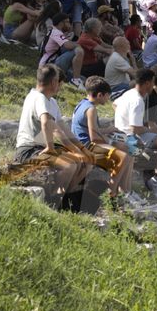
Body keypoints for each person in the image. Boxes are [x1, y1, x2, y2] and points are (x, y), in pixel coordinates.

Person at [14, 65, 93, 211]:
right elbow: (48, 124)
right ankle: (53, 202)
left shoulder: (51, 102)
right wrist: (50, 147)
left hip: (40, 147)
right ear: (54, 82)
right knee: (70, 165)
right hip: (29, 149)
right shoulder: (39, 98)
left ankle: (69, 204)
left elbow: (64, 129)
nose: (60, 86)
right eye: (59, 82)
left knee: (87, 162)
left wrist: (82, 150)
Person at [112, 68, 157, 201]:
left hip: (125, 133)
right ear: (147, 83)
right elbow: (136, 129)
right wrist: (148, 128)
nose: (153, 85)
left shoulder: (129, 93)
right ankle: (156, 180)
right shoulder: (138, 100)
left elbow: (114, 104)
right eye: (152, 82)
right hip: (132, 137)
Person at [71, 76, 138, 205]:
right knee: (122, 156)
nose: (108, 99)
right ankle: (111, 195)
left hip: (83, 143)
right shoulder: (91, 110)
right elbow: (94, 138)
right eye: (108, 96)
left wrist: (108, 130)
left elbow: (91, 129)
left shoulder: (83, 104)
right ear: (100, 95)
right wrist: (111, 142)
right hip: (86, 147)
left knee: (129, 152)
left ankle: (125, 192)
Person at [40, 13, 83, 86]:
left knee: (84, 79)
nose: (69, 24)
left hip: (48, 65)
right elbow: (68, 45)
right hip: (49, 66)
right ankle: (75, 81)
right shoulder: (56, 32)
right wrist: (79, 45)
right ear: (61, 23)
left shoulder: (54, 31)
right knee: (78, 50)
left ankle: (76, 80)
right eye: (68, 22)